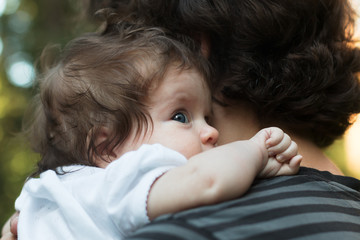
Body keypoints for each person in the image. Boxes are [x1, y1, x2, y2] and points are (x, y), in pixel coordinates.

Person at [3, 0, 360, 239]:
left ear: (188, 45)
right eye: (182, 117)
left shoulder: (186, 228)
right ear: (104, 144)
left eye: (133, 39)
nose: (209, 133)